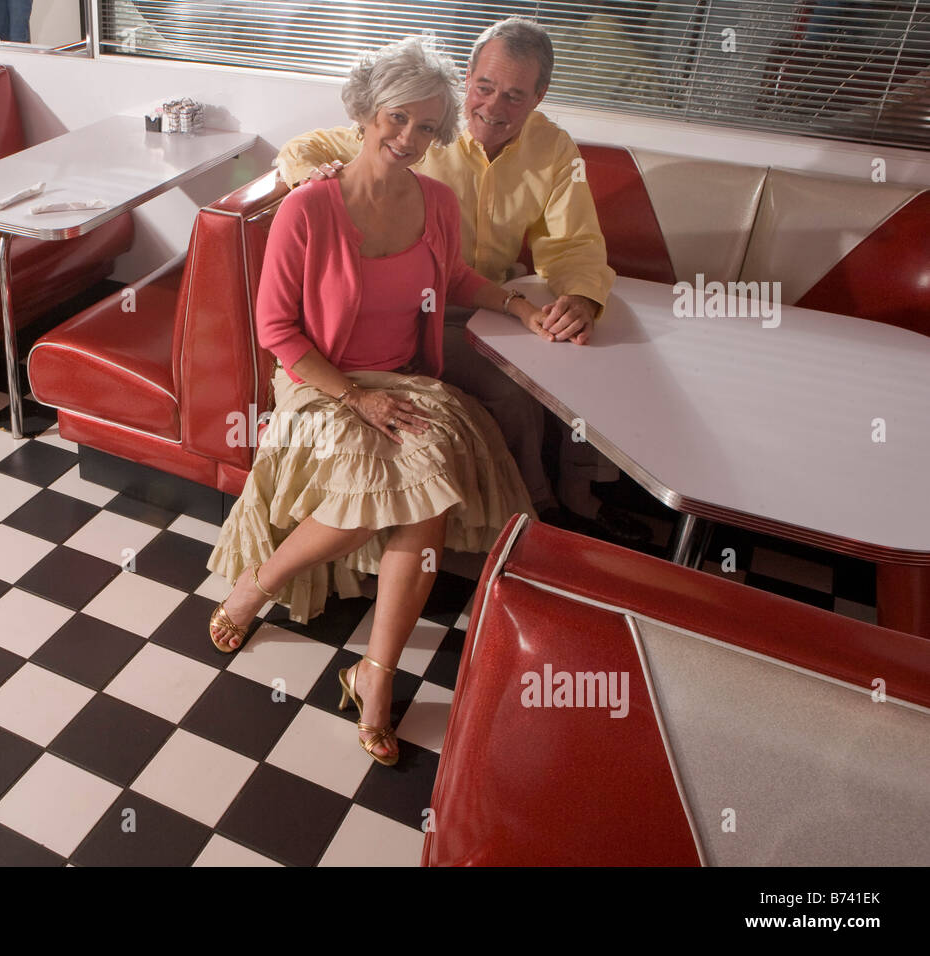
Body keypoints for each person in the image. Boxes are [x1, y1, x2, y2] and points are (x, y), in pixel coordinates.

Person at [207, 36, 541, 768]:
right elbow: (276, 330)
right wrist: (355, 397)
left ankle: (375, 677)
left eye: (427, 128)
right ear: (365, 113)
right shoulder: (309, 209)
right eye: (397, 119)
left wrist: (516, 304)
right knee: (401, 483)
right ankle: (253, 590)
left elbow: (452, 280)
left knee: (426, 494)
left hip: (402, 381)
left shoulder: (438, 202)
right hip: (319, 385)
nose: (410, 139)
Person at [277, 17, 651, 546]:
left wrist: (582, 297)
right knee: (515, 395)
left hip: (492, 299)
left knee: (585, 353)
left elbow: (573, 244)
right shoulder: (421, 125)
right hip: (421, 313)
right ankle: (533, 519)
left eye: (515, 95)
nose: (494, 108)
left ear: (539, 96)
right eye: (484, 87)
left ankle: (580, 496)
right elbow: (310, 148)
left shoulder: (554, 149)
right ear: (468, 76)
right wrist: (318, 184)